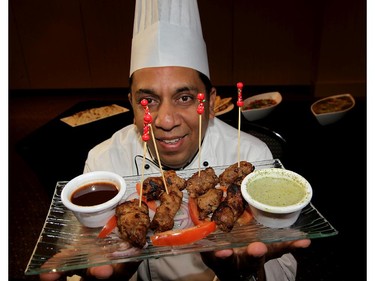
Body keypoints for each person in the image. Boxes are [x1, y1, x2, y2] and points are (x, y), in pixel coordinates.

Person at [40, 1, 310, 280]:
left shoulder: (253, 156)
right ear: (131, 103)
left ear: (212, 101)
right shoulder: (103, 161)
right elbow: (80, 253)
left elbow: (284, 268)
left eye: (185, 98)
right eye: (147, 100)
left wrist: (247, 274)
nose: (166, 120)